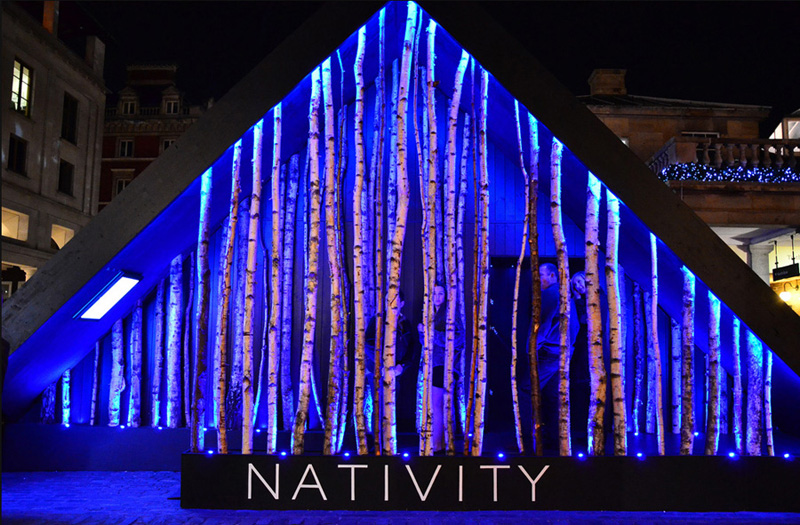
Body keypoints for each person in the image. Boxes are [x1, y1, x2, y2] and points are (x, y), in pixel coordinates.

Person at [518, 262, 579, 453]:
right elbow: (575, 327)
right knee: (553, 397)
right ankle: (555, 441)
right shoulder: (564, 295)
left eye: (542, 275)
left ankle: (527, 440)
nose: (538, 279)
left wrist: (532, 348)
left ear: (553, 275)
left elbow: (542, 325)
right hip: (561, 353)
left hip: (549, 354)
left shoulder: (551, 294)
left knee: (526, 390)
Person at [417, 282, 464, 453]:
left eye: (440, 294)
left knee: (438, 405)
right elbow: (426, 343)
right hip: (434, 364)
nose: (437, 297)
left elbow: (458, 339)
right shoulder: (432, 314)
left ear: (446, 296)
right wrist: (422, 333)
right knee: (439, 405)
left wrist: (430, 332)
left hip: (444, 364)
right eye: (434, 293)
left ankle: (438, 444)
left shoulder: (451, 313)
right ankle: (442, 443)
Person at [364, 290, 417, 437]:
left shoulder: (405, 323)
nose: (392, 303)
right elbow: (368, 345)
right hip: (378, 372)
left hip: (396, 373)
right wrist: (381, 366)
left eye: (395, 300)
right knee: (380, 405)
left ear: (402, 303)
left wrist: (402, 366)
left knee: (391, 406)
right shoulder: (377, 320)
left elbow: (411, 348)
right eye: (389, 299)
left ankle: (388, 441)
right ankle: (378, 443)